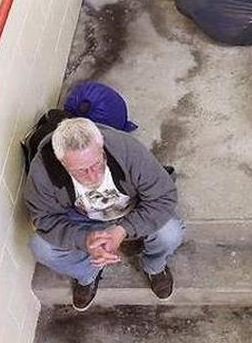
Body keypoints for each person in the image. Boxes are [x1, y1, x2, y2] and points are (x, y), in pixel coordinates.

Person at [24, 117, 184, 311]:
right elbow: (45, 219)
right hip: (82, 219)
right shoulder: (42, 171)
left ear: (102, 148)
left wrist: (124, 229)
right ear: (62, 163)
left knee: (170, 232)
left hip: (132, 210)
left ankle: (155, 266)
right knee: (41, 247)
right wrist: (85, 239)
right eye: (81, 171)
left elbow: (163, 196)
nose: (93, 176)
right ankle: (87, 274)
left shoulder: (126, 148)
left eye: (97, 163)